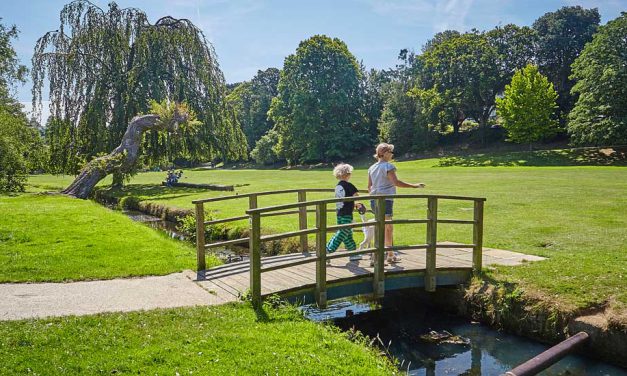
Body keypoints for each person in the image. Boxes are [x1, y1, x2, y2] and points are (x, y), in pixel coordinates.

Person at [368, 143, 425, 264]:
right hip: (385, 200)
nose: (392, 155)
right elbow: (396, 182)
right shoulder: (388, 166)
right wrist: (414, 186)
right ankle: (383, 256)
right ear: (385, 153)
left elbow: (369, 187)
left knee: (380, 227)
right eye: (391, 152)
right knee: (388, 228)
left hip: (374, 200)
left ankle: (386, 254)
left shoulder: (371, 168)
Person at [326, 163, 363, 261]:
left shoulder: (338, 186)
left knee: (347, 233)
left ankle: (353, 253)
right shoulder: (349, 185)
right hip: (347, 212)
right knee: (343, 232)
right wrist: (359, 205)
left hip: (339, 212)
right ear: (347, 174)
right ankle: (328, 250)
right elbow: (357, 197)